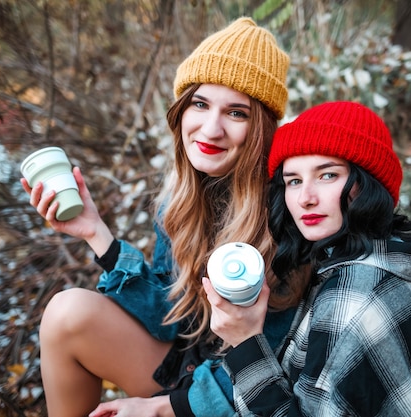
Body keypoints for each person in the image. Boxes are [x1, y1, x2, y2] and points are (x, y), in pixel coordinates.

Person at [22, 17, 307, 417]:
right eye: (201, 103)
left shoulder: (289, 207)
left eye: (236, 113)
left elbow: (283, 358)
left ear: (260, 127)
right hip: (187, 365)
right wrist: (95, 231)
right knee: (65, 313)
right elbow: (170, 317)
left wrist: (161, 408)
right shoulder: (182, 197)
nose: (210, 128)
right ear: (181, 109)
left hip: (247, 391)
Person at [204, 101, 411, 416]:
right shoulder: (395, 260)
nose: (306, 198)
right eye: (294, 180)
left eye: (327, 175)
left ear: (368, 182)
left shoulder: (351, 299)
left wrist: (244, 341)